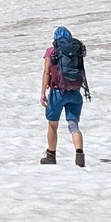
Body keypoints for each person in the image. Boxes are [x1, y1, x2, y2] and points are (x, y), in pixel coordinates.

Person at [40, 25, 88, 166]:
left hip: (57, 93)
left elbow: (47, 72)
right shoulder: (77, 50)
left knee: (53, 125)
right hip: (75, 92)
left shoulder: (52, 51)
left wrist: (43, 92)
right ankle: (79, 155)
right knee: (74, 125)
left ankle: (51, 155)